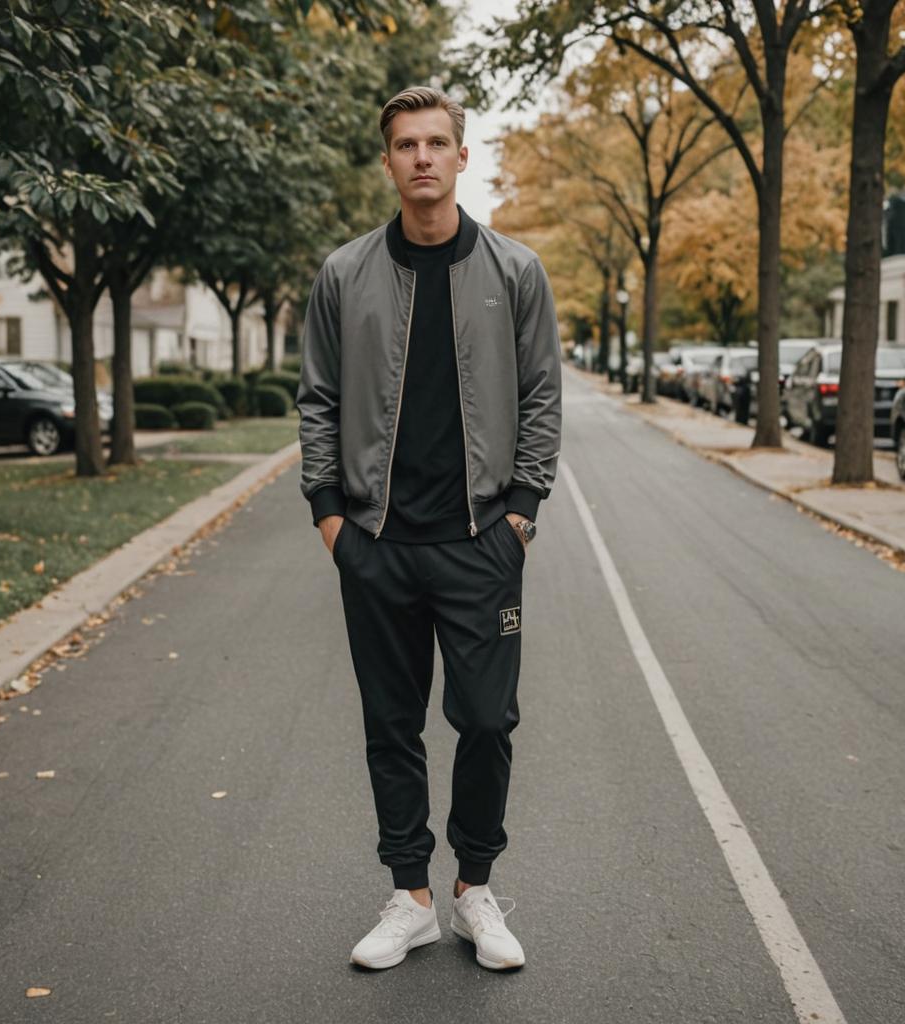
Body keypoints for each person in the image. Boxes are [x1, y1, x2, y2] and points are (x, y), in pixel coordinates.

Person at [296, 85, 562, 971]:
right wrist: (332, 518)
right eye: (405, 144)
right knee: (391, 723)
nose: (421, 157)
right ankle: (409, 895)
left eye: (436, 142)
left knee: (487, 721)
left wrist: (520, 514)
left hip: (481, 542)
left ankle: (473, 891)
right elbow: (319, 401)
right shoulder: (343, 275)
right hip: (377, 542)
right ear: (388, 162)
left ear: (461, 157)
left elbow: (540, 399)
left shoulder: (516, 272)